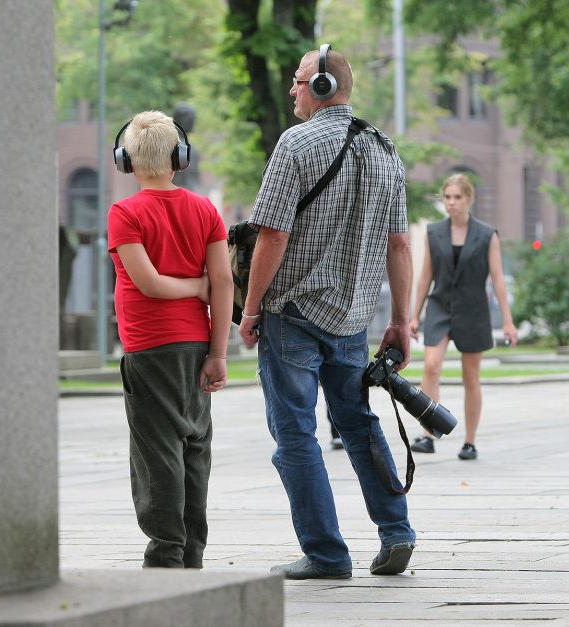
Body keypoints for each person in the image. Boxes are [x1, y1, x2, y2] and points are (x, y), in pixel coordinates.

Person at [237, 44, 417, 580]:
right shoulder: (385, 150)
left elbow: (272, 233)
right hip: (352, 320)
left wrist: (249, 309)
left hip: (290, 312)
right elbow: (400, 245)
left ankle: (326, 554)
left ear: (320, 88)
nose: (291, 90)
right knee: (359, 425)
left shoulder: (296, 143)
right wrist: (400, 321)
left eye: (297, 82)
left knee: (295, 435)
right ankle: (397, 532)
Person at [107, 110, 233, 569]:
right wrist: (218, 352)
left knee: (156, 450)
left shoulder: (124, 213)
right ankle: (192, 550)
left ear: (127, 161)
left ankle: (166, 552)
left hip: (149, 348)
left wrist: (191, 288)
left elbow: (151, 284)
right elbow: (223, 281)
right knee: (194, 446)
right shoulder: (204, 210)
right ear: (180, 158)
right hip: (197, 344)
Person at [409, 174, 518, 459]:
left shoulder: (486, 234)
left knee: (471, 376)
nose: (451, 203)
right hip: (440, 305)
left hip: (473, 310)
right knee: (431, 366)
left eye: (457, 197)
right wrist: (414, 315)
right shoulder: (434, 232)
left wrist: (508, 321)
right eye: (447, 197)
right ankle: (428, 434)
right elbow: (425, 278)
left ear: (469, 199)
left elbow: (497, 280)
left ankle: (469, 441)